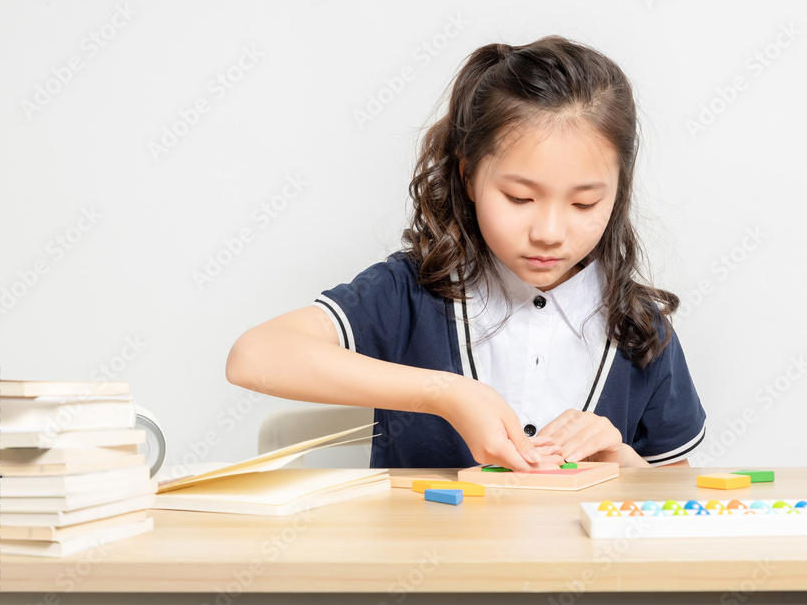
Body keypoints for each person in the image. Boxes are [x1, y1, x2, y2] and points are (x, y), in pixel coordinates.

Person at [225, 35, 707, 471]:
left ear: (618, 193)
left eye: (585, 202)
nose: (550, 232)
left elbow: (673, 500)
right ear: (468, 176)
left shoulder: (640, 326)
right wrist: (447, 394)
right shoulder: (410, 293)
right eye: (519, 198)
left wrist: (623, 464)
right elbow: (254, 357)